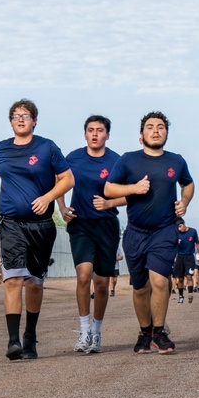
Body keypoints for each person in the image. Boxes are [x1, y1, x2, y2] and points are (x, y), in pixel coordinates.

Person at [0, 99, 73, 360]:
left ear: (34, 120)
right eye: (15, 115)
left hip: (42, 226)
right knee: (12, 280)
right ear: (10, 121)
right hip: (10, 223)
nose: (20, 119)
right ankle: (13, 341)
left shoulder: (47, 147)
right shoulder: (0, 149)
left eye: (25, 115)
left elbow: (68, 178)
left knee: (34, 284)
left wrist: (48, 198)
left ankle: (30, 335)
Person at [104, 111, 194, 354]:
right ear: (141, 135)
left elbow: (188, 183)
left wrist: (184, 201)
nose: (156, 130)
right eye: (150, 127)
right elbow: (109, 188)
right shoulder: (128, 160)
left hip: (164, 230)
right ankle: (145, 333)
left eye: (161, 127)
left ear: (166, 132)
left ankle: (159, 332)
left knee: (159, 280)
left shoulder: (176, 161)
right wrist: (134, 188)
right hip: (135, 232)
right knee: (140, 287)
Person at [57, 115, 124, 354]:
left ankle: (97, 332)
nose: (95, 134)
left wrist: (110, 203)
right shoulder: (73, 158)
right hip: (80, 224)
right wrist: (62, 208)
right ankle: (84, 331)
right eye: (90, 130)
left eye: (100, 130)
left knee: (102, 284)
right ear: (84, 134)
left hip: (106, 226)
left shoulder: (117, 161)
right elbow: (59, 183)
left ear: (107, 135)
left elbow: (132, 194)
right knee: (84, 276)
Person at [173, 217, 199, 303]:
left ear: (184, 223)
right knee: (180, 278)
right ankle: (181, 296)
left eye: (180, 226)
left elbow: (197, 244)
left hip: (189, 257)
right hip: (180, 257)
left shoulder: (193, 231)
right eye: (178, 227)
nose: (180, 228)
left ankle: (190, 293)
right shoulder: (176, 233)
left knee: (189, 276)